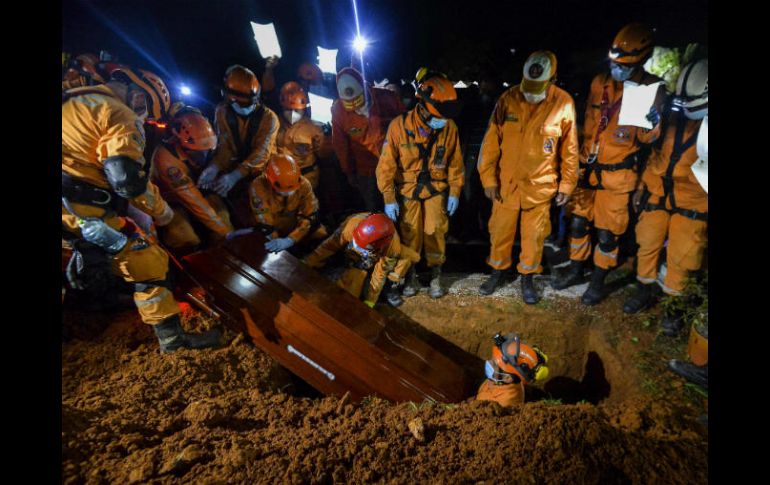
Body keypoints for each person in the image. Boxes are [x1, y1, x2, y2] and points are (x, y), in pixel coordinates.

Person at [62, 65, 220, 353]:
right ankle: (173, 341)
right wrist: (163, 213)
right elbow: (129, 182)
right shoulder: (119, 115)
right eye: (146, 113)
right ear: (138, 98)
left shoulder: (74, 100)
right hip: (81, 206)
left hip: (70, 207)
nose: (144, 119)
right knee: (148, 261)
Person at [552, 23, 666, 306]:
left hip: (619, 175)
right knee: (578, 224)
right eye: (614, 63)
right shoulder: (599, 83)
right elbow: (589, 125)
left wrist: (652, 124)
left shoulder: (651, 89)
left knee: (607, 234)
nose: (617, 69)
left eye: (623, 65)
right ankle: (576, 269)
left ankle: (597, 282)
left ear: (640, 61)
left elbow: (647, 139)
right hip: (589, 169)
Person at [477, 50, 579, 304]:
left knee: (534, 237)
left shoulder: (564, 103)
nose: (530, 92)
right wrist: (488, 179)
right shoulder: (508, 98)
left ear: (552, 79)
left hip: (540, 187)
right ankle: (498, 271)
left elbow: (570, 149)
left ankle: (527, 278)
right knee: (500, 232)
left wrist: (567, 184)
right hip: (506, 185)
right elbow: (490, 143)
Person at [623, 59, 708, 336]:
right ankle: (644, 290)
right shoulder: (672, 110)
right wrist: (640, 187)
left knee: (684, 255)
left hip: (695, 198)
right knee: (647, 241)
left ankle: (674, 308)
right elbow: (651, 149)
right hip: (657, 188)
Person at [376, 72, 464, 299]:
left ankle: (436, 273)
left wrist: (455, 191)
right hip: (407, 190)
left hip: (436, 188)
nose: (442, 120)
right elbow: (385, 166)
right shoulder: (398, 127)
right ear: (423, 107)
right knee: (410, 234)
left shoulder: (449, 127)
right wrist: (389, 198)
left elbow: (455, 163)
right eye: (438, 115)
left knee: (435, 230)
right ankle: (410, 274)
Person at [198, 65, 279, 227]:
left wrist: (235, 176)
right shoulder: (222, 112)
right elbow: (225, 147)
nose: (246, 108)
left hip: (260, 172)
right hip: (235, 167)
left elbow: (261, 153)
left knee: (261, 216)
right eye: (242, 104)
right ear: (229, 97)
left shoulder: (269, 119)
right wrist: (214, 167)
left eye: (250, 103)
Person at [151, 106, 233, 251]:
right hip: (170, 200)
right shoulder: (166, 159)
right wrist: (225, 232)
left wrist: (215, 166)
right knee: (184, 236)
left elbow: (225, 153)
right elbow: (192, 199)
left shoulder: (208, 141)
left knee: (223, 217)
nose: (204, 156)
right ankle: (186, 257)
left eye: (207, 151)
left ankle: (224, 250)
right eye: (197, 153)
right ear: (180, 142)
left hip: (198, 191)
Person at [303, 212, 419, 308]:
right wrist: (307, 262)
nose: (357, 246)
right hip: (354, 259)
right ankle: (350, 271)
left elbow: (379, 275)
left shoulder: (391, 248)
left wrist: (370, 301)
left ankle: (389, 287)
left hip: (374, 258)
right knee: (349, 290)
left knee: (412, 257)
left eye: (362, 247)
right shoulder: (351, 226)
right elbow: (329, 246)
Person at [332, 67, 405, 212]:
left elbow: (407, 126)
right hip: (367, 171)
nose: (358, 110)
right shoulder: (338, 111)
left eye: (360, 103)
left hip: (396, 165)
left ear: (365, 88)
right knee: (374, 211)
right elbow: (341, 145)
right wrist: (348, 171)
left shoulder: (388, 98)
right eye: (352, 108)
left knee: (402, 207)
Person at [249, 154, 327, 254]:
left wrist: (291, 239)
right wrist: (278, 244)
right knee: (269, 248)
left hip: (295, 226)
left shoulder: (304, 185)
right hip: (273, 227)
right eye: (282, 190)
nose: (289, 192)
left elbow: (310, 214)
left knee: (321, 233)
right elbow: (264, 220)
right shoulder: (258, 187)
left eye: (292, 189)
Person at [275, 81, 330, 190]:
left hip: (305, 178)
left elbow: (324, 155)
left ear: (304, 108)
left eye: (296, 110)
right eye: (288, 110)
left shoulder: (314, 128)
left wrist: (327, 142)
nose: (292, 114)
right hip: (279, 178)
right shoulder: (275, 123)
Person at [476, 333, 549, 407]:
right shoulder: (498, 379)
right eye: (492, 359)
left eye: (494, 364)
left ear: (508, 378)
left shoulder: (504, 402)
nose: (490, 363)